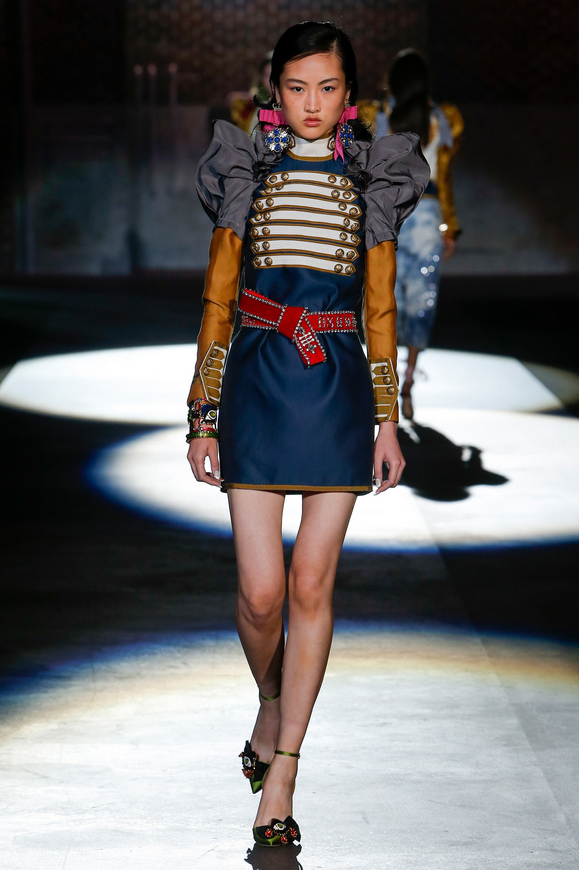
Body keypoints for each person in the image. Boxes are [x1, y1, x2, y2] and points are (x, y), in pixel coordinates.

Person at [187, 21, 429, 847]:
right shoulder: (244, 175)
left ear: (349, 96)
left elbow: (380, 307)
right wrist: (203, 412)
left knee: (311, 585)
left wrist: (386, 418)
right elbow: (219, 300)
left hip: (336, 391)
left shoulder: (374, 181)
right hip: (257, 382)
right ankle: (270, 702)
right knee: (260, 594)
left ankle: (283, 774)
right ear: (275, 93)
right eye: (297, 88)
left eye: (327, 88)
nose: (312, 103)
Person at [360, 49, 463, 419]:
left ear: (393, 79)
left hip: (388, 212)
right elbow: (443, 176)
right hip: (425, 214)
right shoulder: (442, 117)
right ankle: (406, 379)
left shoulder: (375, 115)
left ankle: (385, 381)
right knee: (421, 298)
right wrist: (449, 226)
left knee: (382, 295)